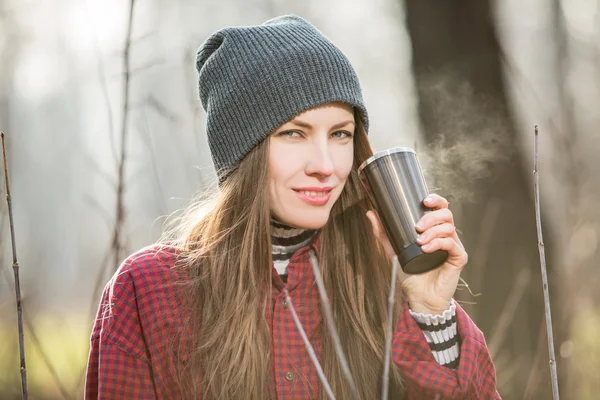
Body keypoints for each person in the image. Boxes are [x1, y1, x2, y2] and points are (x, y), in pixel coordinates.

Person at [85, 15, 500, 400]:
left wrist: (431, 312)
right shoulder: (150, 290)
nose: (325, 166)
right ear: (242, 153)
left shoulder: (385, 283)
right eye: (293, 134)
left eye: (340, 134)